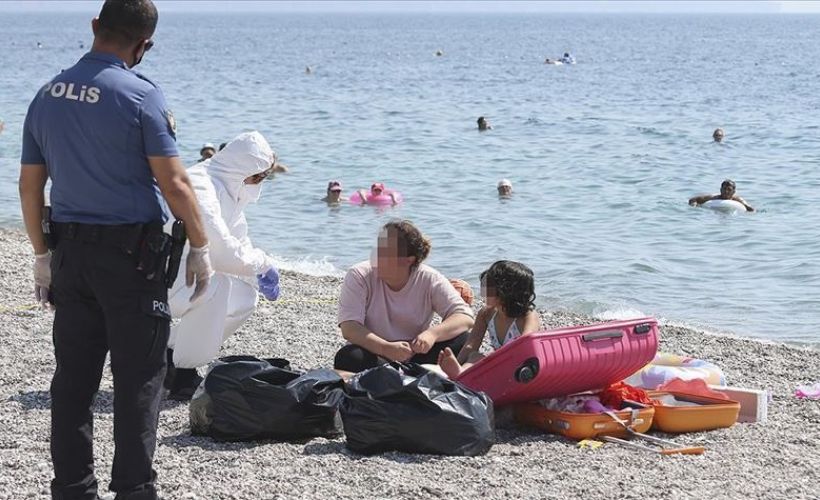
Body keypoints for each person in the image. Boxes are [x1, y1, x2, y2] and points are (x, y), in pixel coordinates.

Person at [18, 1, 212, 499]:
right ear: (144, 44)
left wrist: (41, 256)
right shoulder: (141, 96)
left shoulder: (46, 95)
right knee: (139, 381)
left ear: (94, 27)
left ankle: (72, 488)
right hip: (132, 260)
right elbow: (175, 183)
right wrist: (200, 245)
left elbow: (30, 187)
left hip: (70, 255)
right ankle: (133, 489)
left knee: (73, 382)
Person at [166, 131, 282, 400]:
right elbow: (221, 251)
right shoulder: (202, 185)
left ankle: (168, 353)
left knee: (244, 297)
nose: (258, 184)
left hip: (182, 274)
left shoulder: (229, 188)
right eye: (259, 177)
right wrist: (263, 265)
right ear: (245, 170)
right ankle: (183, 374)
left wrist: (257, 276)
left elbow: (239, 240)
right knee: (215, 286)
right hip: (156, 276)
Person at [335, 220, 475, 374]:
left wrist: (432, 334)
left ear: (409, 260)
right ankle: (409, 377)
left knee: (462, 339)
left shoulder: (428, 278)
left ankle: (406, 376)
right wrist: (385, 348)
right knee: (349, 357)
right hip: (376, 354)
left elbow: (465, 317)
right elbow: (349, 328)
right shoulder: (359, 275)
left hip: (415, 354)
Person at [438, 261, 540, 378]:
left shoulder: (527, 316)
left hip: (522, 369)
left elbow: (525, 347)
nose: (483, 292)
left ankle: (462, 374)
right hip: (499, 366)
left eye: (488, 286)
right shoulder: (486, 314)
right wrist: (457, 362)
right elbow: (471, 345)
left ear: (506, 291)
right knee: (475, 356)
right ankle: (460, 373)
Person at [688, 179, 754, 212]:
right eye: (724, 189)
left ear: (734, 192)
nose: (726, 191)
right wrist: (695, 207)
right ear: (720, 190)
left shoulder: (738, 200)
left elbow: (751, 209)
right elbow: (693, 199)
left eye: (729, 190)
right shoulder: (714, 197)